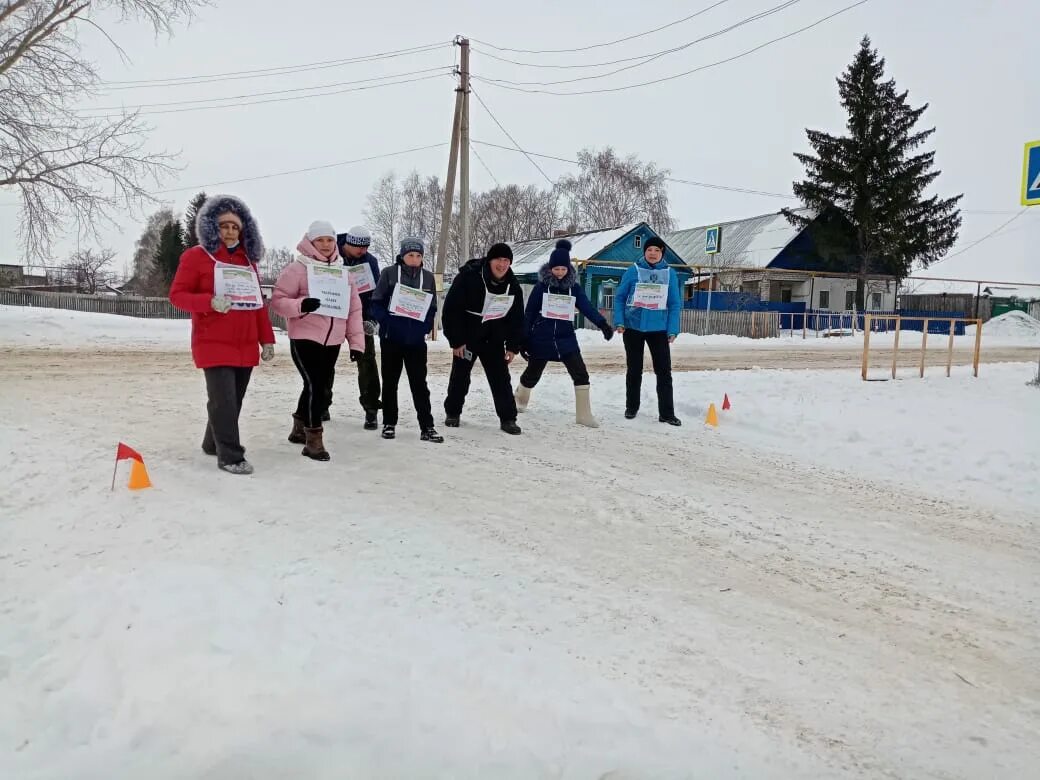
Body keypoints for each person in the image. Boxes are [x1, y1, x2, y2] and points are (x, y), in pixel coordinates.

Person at [169, 194, 275, 475]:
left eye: (235, 227)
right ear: (212, 227)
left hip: (244, 344)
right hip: (212, 341)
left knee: (233, 400)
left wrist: (267, 340)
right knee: (224, 400)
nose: (229, 231)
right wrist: (209, 302)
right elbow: (177, 295)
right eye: (224, 225)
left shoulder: (248, 263)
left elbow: (258, 307)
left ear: (243, 231)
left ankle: (211, 442)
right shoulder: (196, 257)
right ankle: (230, 455)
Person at [271, 220, 364, 461]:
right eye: (320, 240)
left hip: (333, 340)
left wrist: (356, 343)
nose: (325, 244)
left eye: (329, 240)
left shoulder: (344, 272)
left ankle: (298, 429)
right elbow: (278, 301)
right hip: (305, 336)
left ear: (335, 242)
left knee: (315, 385)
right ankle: (314, 440)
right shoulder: (298, 268)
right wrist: (301, 305)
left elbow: (354, 310)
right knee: (317, 385)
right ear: (310, 242)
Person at [515, 239, 614, 427]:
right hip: (541, 338)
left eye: (563, 269)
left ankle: (584, 415)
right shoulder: (540, 288)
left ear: (568, 269)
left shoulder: (574, 288)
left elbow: (586, 307)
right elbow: (529, 313)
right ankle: (519, 399)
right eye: (556, 269)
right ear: (550, 268)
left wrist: (602, 324)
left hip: (566, 339)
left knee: (581, 374)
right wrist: (523, 339)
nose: (560, 272)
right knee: (532, 374)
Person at [441, 242, 526, 435]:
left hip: (493, 338)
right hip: (467, 337)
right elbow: (451, 310)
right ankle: (453, 412)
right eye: (498, 259)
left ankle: (508, 418)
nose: (502, 264)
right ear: (490, 260)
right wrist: (455, 340)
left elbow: (517, 318)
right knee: (460, 377)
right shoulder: (469, 277)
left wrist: (513, 346)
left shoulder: (513, 285)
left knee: (501, 380)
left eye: (506, 260)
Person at [369, 237, 443, 443]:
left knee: (419, 384)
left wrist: (425, 327)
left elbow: (432, 308)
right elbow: (376, 303)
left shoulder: (428, 278)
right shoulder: (389, 274)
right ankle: (389, 423)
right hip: (391, 338)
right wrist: (387, 322)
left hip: (416, 341)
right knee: (390, 383)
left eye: (418, 256)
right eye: (410, 255)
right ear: (402, 256)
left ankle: (427, 426)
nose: (414, 259)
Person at [613, 236, 683, 426]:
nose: (653, 253)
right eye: (650, 249)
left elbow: (675, 303)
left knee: (664, 372)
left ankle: (667, 413)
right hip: (633, 327)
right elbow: (619, 298)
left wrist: (673, 329)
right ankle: (632, 406)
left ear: (662, 253)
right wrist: (619, 321)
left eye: (657, 250)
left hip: (658, 329)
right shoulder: (633, 270)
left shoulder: (670, 274)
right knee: (634, 369)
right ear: (644, 251)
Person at [336, 226, 382, 430]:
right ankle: (321, 404)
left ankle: (371, 409)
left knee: (367, 362)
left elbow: (376, 292)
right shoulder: (331, 255)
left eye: (366, 247)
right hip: (333, 315)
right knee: (324, 362)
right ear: (348, 244)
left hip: (360, 317)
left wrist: (371, 318)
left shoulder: (370, 261)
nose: (363, 251)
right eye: (359, 248)